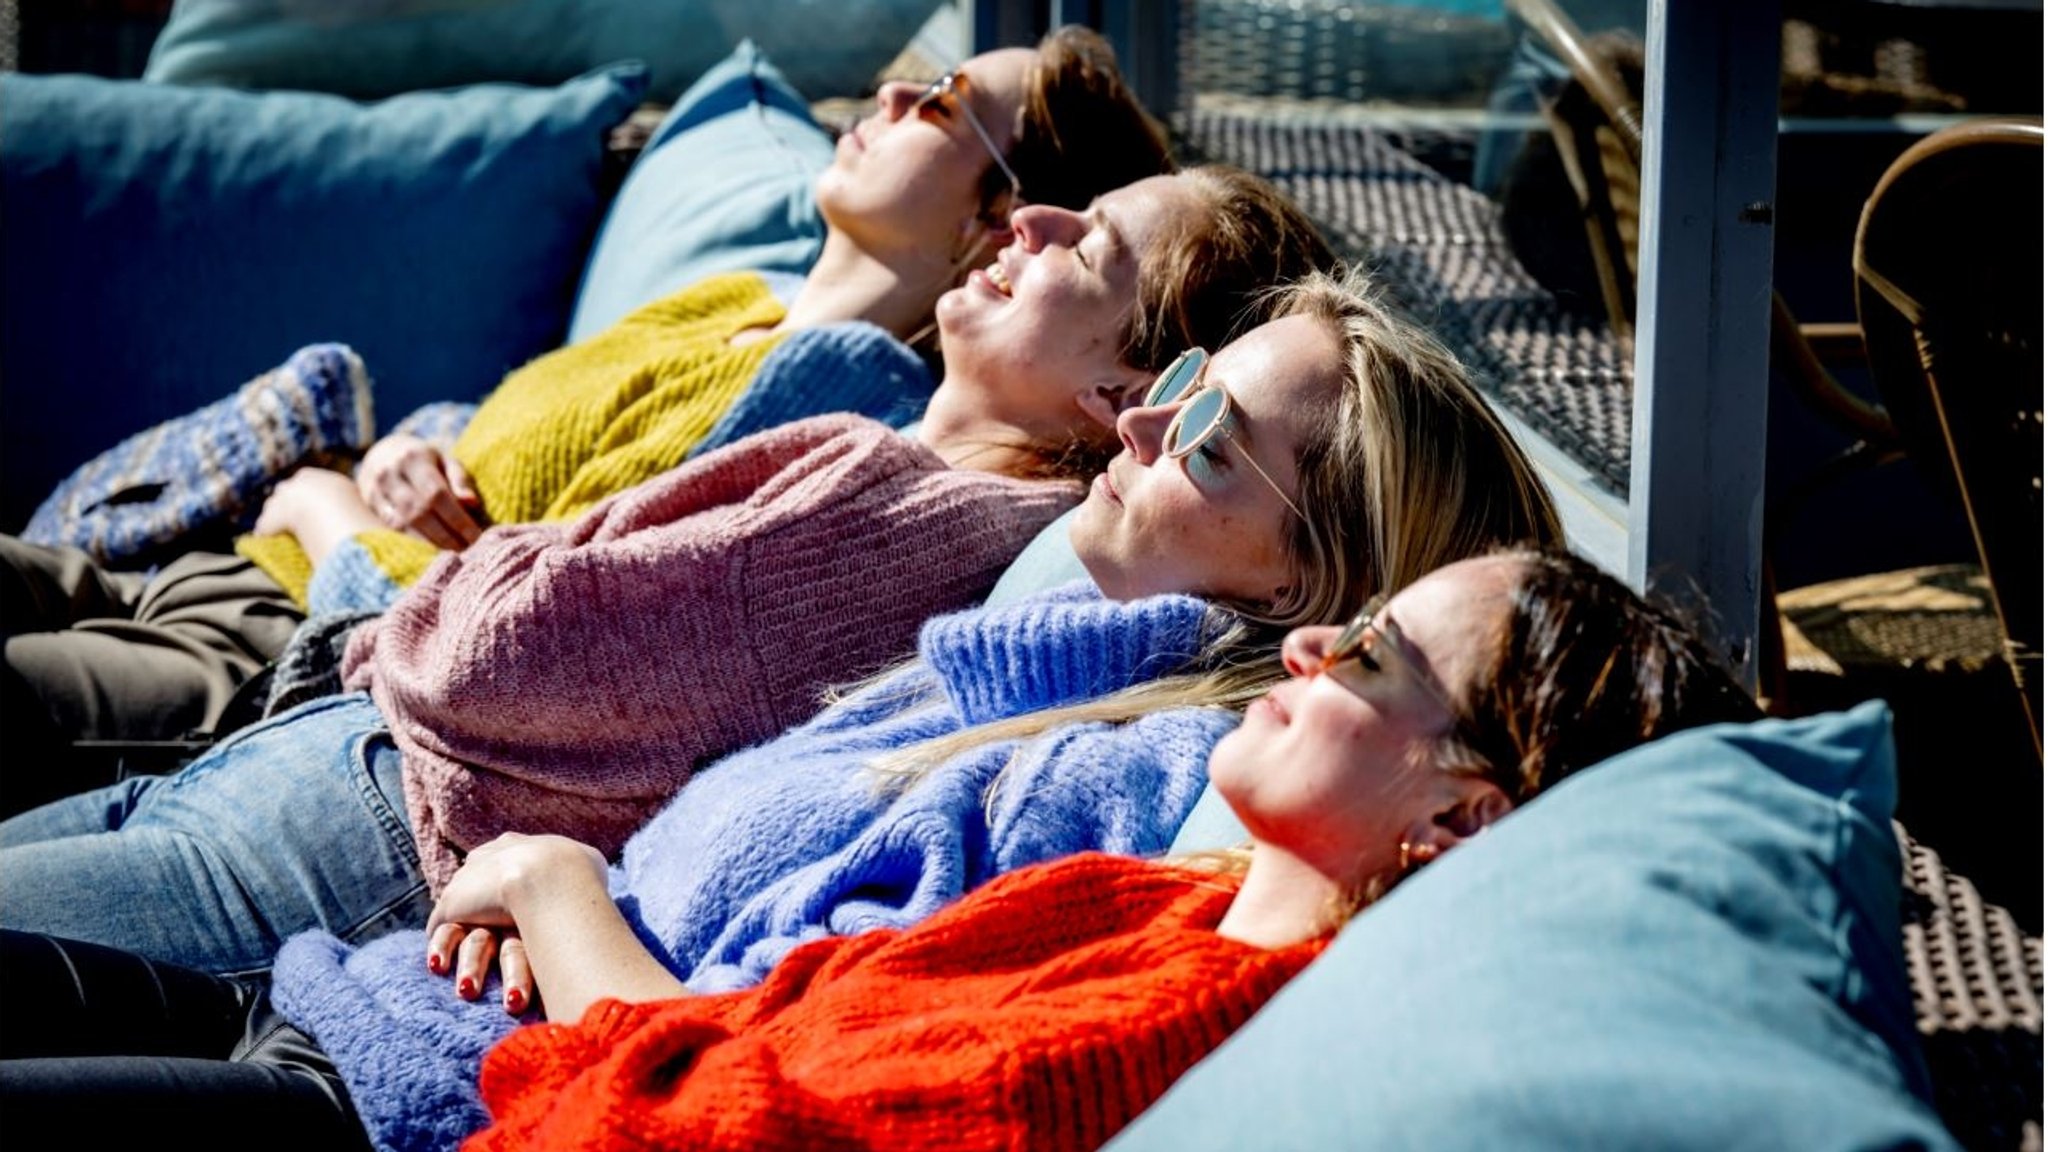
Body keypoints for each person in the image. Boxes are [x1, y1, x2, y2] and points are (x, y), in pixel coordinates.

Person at [0, 547, 1764, 1152]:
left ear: (1459, 811)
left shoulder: (1188, 1025)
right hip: (377, 1005)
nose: (1308, 645)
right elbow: (769, 1028)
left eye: (1365, 650)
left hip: (399, 1098)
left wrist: (561, 897)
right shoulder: (1152, 899)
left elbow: (720, 1118)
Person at [0, 198, 1344, 977]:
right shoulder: (917, 485)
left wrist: (421, 553)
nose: (1030, 217)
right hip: (330, 761)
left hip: (346, 830)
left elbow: (493, 649)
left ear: (1119, 394)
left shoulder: (913, 516)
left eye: (1088, 244)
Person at [0, 26, 1179, 805]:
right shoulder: (736, 302)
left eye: (940, 104)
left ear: (1000, 220)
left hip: (282, 655)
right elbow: (512, 438)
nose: (888, 91)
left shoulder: (839, 405)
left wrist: (328, 504)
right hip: (218, 565)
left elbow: (508, 634)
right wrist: (410, 447)